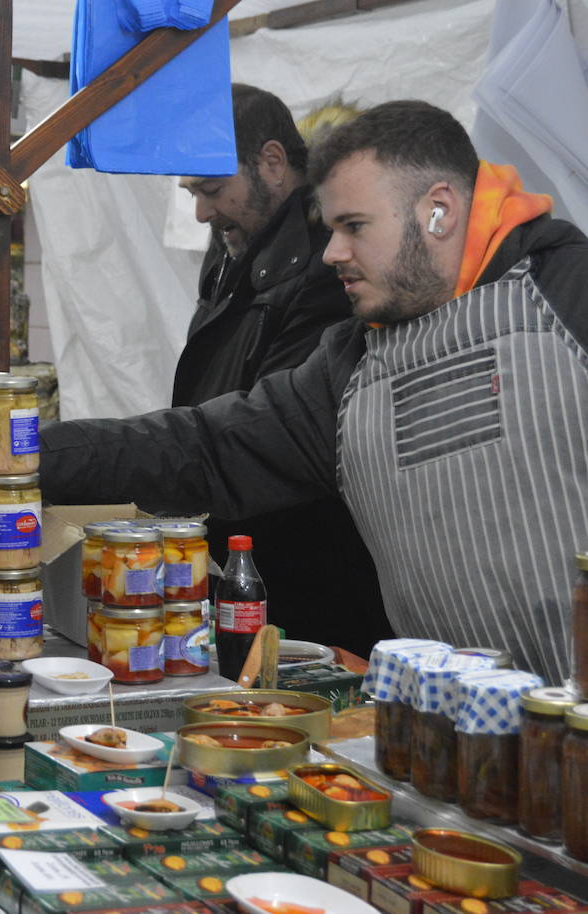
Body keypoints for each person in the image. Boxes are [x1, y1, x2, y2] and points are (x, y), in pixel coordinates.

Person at [42, 100, 588, 685]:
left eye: (354, 226)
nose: (332, 254)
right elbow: (207, 447)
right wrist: (24, 450)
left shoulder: (567, 296)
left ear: (439, 211)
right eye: (330, 230)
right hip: (448, 729)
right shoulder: (350, 364)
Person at [173, 84, 388, 654]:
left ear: (272, 161)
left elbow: (267, 433)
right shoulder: (238, 249)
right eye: (192, 192)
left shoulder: (327, 270)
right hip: (248, 564)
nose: (201, 211)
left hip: (311, 585)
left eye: (212, 190)